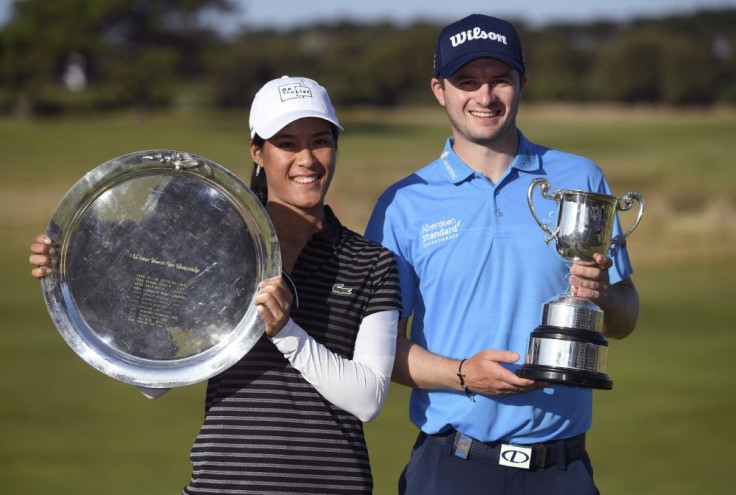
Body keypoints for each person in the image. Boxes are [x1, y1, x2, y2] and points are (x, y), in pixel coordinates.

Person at [29, 75, 402, 495]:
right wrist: (80, 274)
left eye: (320, 141)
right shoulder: (218, 249)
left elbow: (367, 399)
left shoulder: (371, 263)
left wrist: (285, 331)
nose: (307, 160)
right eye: (287, 143)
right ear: (257, 152)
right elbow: (156, 382)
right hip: (221, 485)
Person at [364, 14, 640, 495]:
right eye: (467, 81)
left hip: (563, 468)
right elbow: (379, 350)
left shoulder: (581, 179)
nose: (485, 97)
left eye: (499, 80)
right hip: (452, 464)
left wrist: (606, 299)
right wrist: (462, 375)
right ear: (439, 90)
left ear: (522, 84)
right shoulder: (403, 203)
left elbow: (624, 316)